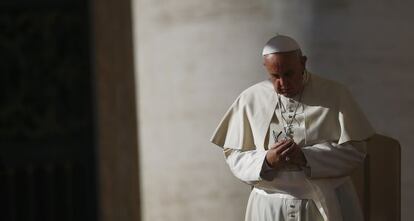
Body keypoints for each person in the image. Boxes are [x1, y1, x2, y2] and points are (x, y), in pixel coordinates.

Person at [210, 35, 374, 221]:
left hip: (325, 202)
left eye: (288, 74)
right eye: (275, 76)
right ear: (266, 69)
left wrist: (306, 157)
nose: (283, 83)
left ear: (303, 63)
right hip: (270, 206)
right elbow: (234, 155)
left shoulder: (335, 94)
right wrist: (267, 160)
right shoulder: (250, 99)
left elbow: (355, 151)